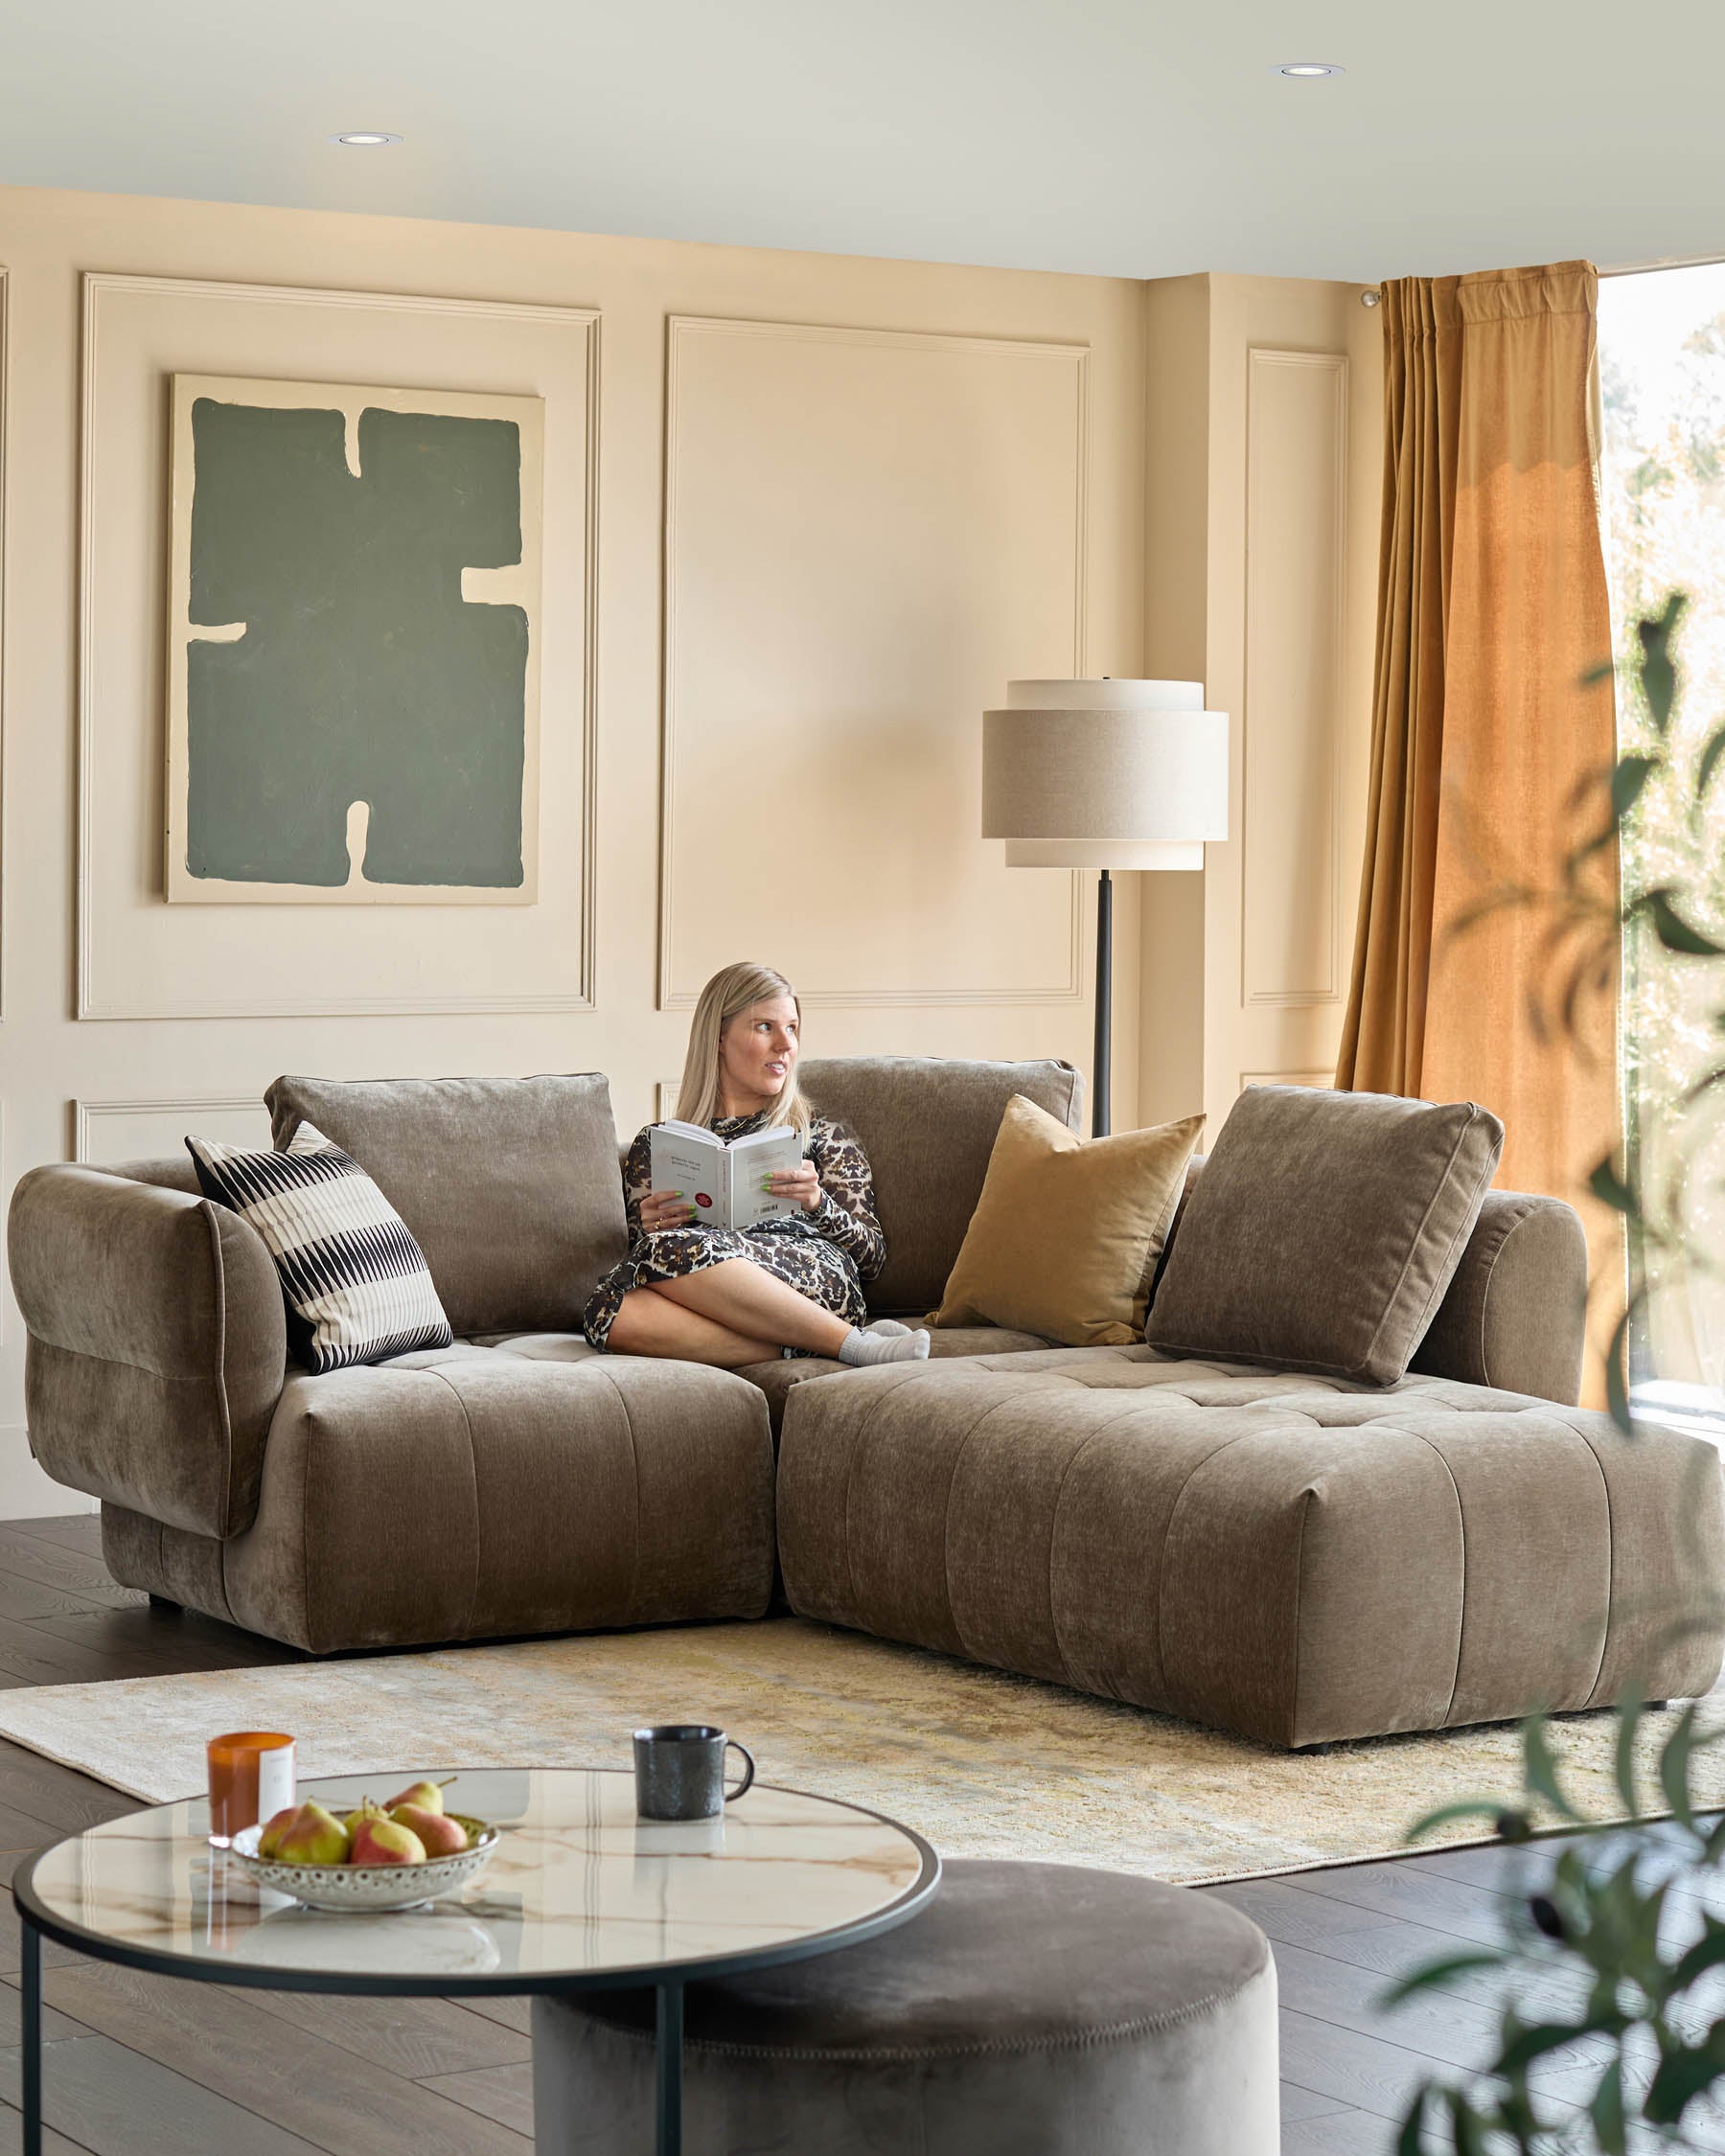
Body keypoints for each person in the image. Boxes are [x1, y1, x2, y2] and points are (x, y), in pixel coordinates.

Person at [583, 961, 932, 1369]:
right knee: (606, 1312)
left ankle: (849, 1343)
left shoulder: (820, 1134)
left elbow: (872, 1258)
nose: (785, 1045)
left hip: (815, 1277)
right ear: (718, 1037)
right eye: (765, 1027)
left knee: (666, 1250)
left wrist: (819, 1203)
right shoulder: (657, 1144)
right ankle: (833, 1345)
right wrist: (650, 1225)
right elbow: (644, 1265)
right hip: (719, 1290)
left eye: (792, 1028)